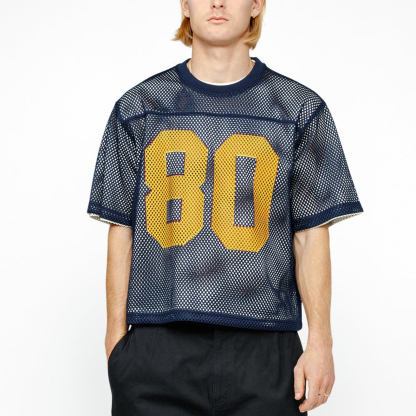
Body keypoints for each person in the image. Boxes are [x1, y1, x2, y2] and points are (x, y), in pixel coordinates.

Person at [86, 1, 364, 415]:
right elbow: (122, 228)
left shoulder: (300, 109)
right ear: (185, 5)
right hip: (159, 343)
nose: (217, 2)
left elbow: (310, 235)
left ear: (256, 5)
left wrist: (321, 342)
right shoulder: (140, 106)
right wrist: (115, 342)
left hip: (265, 346)